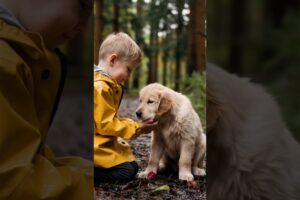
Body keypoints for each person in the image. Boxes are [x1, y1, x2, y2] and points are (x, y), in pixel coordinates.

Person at [0, 0, 94, 199]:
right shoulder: (3, 63)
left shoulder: (14, 57)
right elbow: (12, 184)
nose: (84, 27)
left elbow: (21, 158)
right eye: (83, 6)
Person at [94, 32, 158, 185]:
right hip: (93, 147)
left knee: (132, 165)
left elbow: (109, 118)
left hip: (98, 143)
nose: (128, 76)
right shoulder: (100, 87)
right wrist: (138, 128)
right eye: (128, 69)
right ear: (113, 59)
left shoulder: (107, 85)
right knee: (126, 172)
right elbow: (106, 124)